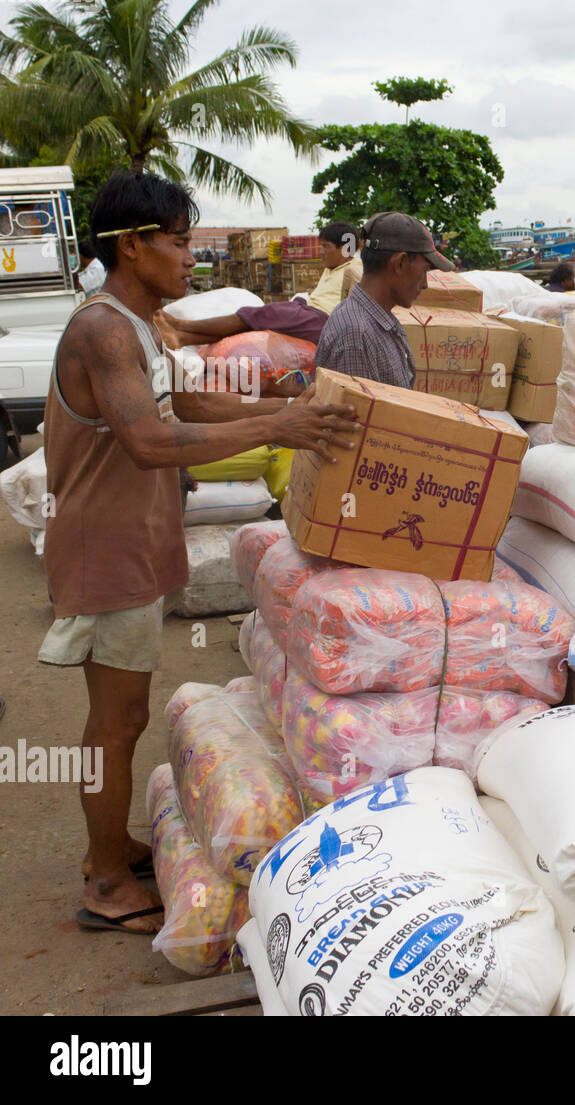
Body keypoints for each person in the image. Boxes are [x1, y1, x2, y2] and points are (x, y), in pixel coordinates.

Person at [41, 171, 361, 935]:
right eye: (179, 242)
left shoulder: (143, 323)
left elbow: (180, 404)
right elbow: (152, 441)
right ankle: (107, 881)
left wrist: (286, 405)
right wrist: (275, 431)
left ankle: (110, 845)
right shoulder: (103, 328)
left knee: (125, 713)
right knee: (114, 724)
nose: (191, 258)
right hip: (104, 551)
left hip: (136, 544)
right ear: (132, 245)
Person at [155, 222, 389, 348]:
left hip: (319, 319)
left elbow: (363, 304)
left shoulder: (353, 268)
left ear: (345, 248)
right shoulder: (332, 269)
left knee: (253, 315)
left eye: (325, 247)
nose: (321, 252)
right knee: (252, 324)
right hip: (308, 311)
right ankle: (184, 338)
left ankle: (182, 325)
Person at [313, 211, 443, 388]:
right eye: (425, 271)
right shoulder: (357, 336)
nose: (425, 284)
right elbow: (362, 414)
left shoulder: (379, 321)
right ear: (400, 263)